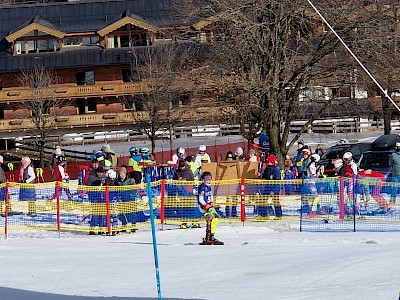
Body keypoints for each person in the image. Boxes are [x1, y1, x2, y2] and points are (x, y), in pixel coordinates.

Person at [197, 171, 223, 245]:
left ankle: (211, 236)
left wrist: (211, 202)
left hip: (209, 205)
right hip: (203, 206)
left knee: (214, 219)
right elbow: (200, 199)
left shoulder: (208, 187)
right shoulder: (202, 188)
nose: (209, 181)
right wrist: (206, 206)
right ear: (203, 179)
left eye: (210, 179)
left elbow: (210, 196)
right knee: (210, 218)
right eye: (207, 179)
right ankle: (208, 237)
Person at [260, 155, 282, 220]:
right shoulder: (267, 169)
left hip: (274, 188)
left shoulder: (276, 170)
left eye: (268, 161)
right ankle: (264, 215)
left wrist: (274, 191)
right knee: (263, 201)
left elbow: (277, 182)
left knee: (276, 202)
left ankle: (278, 215)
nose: (267, 162)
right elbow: (264, 177)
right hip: (267, 187)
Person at [88, 167, 107, 235]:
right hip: (94, 198)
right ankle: (92, 229)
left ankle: (101, 229)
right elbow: (88, 188)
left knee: (102, 213)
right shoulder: (91, 177)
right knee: (95, 214)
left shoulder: (104, 178)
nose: (100, 174)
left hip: (102, 198)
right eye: (99, 172)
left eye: (101, 173)